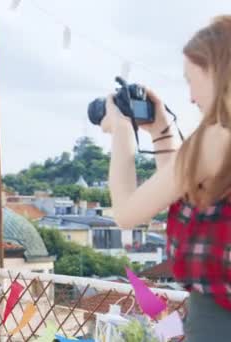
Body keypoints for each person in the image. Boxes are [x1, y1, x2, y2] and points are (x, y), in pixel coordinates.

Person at [100, 15, 231, 340]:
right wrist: (161, 132)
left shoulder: (216, 139)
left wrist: (121, 133)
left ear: (216, 72)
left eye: (190, 79)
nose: (189, 97)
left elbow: (126, 213)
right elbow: (181, 189)